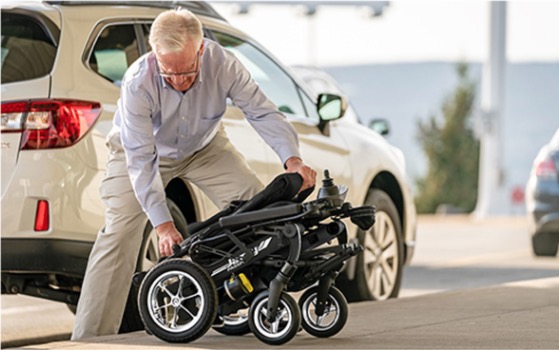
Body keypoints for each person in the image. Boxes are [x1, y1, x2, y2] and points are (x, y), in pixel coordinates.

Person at [72, 8, 316, 340]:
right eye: (167, 72)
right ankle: (90, 338)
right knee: (119, 232)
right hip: (141, 153)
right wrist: (162, 225)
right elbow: (141, 159)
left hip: (204, 147)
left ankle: (255, 304)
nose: (177, 81)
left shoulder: (224, 65)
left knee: (258, 210)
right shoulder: (137, 82)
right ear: (154, 52)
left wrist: (292, 161)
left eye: (186, 71)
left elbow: (262, 112)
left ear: (201, 50)